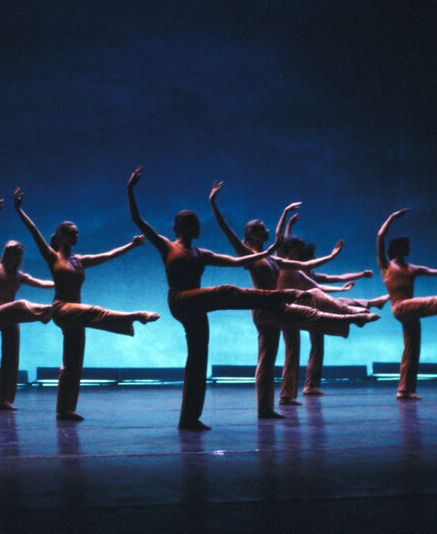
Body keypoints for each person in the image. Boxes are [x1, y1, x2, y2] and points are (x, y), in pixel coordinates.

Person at [128, 166, 335, 430]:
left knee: (198, 361)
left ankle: (189, 418)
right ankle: (279, 298)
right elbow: (138, 219)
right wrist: (130, 190)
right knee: (225, 291)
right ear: (182, 227)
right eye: (195, 223)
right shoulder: (167, 246)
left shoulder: (201, 253)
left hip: (197, 308)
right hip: (181, 299)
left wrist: (265, 253)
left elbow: (237, 261)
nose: (199, 226)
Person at [208, 182, 379, 418]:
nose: (267, 230)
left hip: (272, 309)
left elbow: (304, 264)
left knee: (266, 360)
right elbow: (227, 230)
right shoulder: (249, 255)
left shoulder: (271, 259)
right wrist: (213, 204)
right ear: (252, 235)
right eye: (262, 228)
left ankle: (265, 409)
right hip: (265, 310)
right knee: (311, 310)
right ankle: (353, 317)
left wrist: (331, 255)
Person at [12, 187, 159, 421]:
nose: (76, 236)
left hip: (77, 314)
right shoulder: (53, 256)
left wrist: (131, 246)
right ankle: (134, 316)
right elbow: (34, 231)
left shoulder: (79, 260)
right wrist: (19, 211)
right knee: (96, 312)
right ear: (60, 236)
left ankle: (64, 409)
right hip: (62, 309)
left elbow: (109, 255)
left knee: (72, 364)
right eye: (71, 233)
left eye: (77, 233)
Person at [377, 208, 437, 400]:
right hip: (401, 308)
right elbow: (380, 236)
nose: (410, 249)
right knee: (434, 301)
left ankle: (404, 390)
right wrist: (391, 217)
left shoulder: (412, 268)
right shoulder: (386, 266)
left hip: (412, 311)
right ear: (398, 248)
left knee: (412, 350)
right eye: (407, 246)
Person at [275, 233, 385, 404]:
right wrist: (286, 217)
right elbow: (281, 240)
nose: (312, 258)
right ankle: (358, 311)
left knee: (303, 349)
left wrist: (346, 286)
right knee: (297, 349)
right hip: (288, 310)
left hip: (298, 310)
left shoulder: (301, 272)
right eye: (301, 251)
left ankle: (291, 393)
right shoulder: (283, 264)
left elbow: (324, 283)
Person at [0, 197, 57, 411]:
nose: (16, 256)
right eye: (13, 252)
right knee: (21, 304)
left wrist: (61, 281)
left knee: (10, 360)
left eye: (19, 253)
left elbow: (43, 283)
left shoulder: (20, 275)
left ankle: (3, 401)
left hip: (12, 320)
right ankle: (46, 313)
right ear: (7, 253)